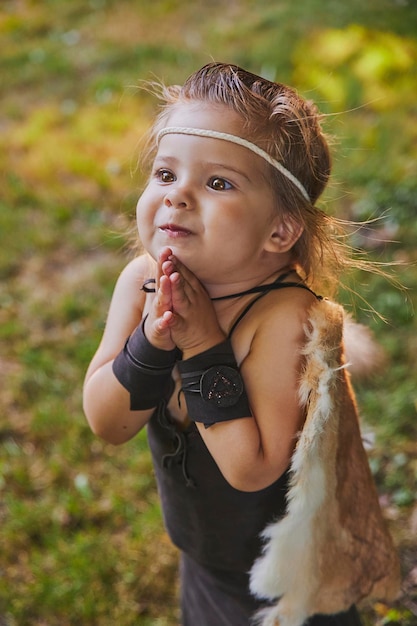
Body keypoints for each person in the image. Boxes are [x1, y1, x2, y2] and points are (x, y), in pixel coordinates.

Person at [83, 63, 399, 626]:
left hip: (285, 584)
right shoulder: (142, 282)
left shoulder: (285, 317)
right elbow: (108, 424)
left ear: (280, 232)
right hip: (204, 559)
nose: (177, 196)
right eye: (164, 173)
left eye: (218, 182)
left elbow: (251, 470)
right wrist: (152, 342)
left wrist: (202, 342)